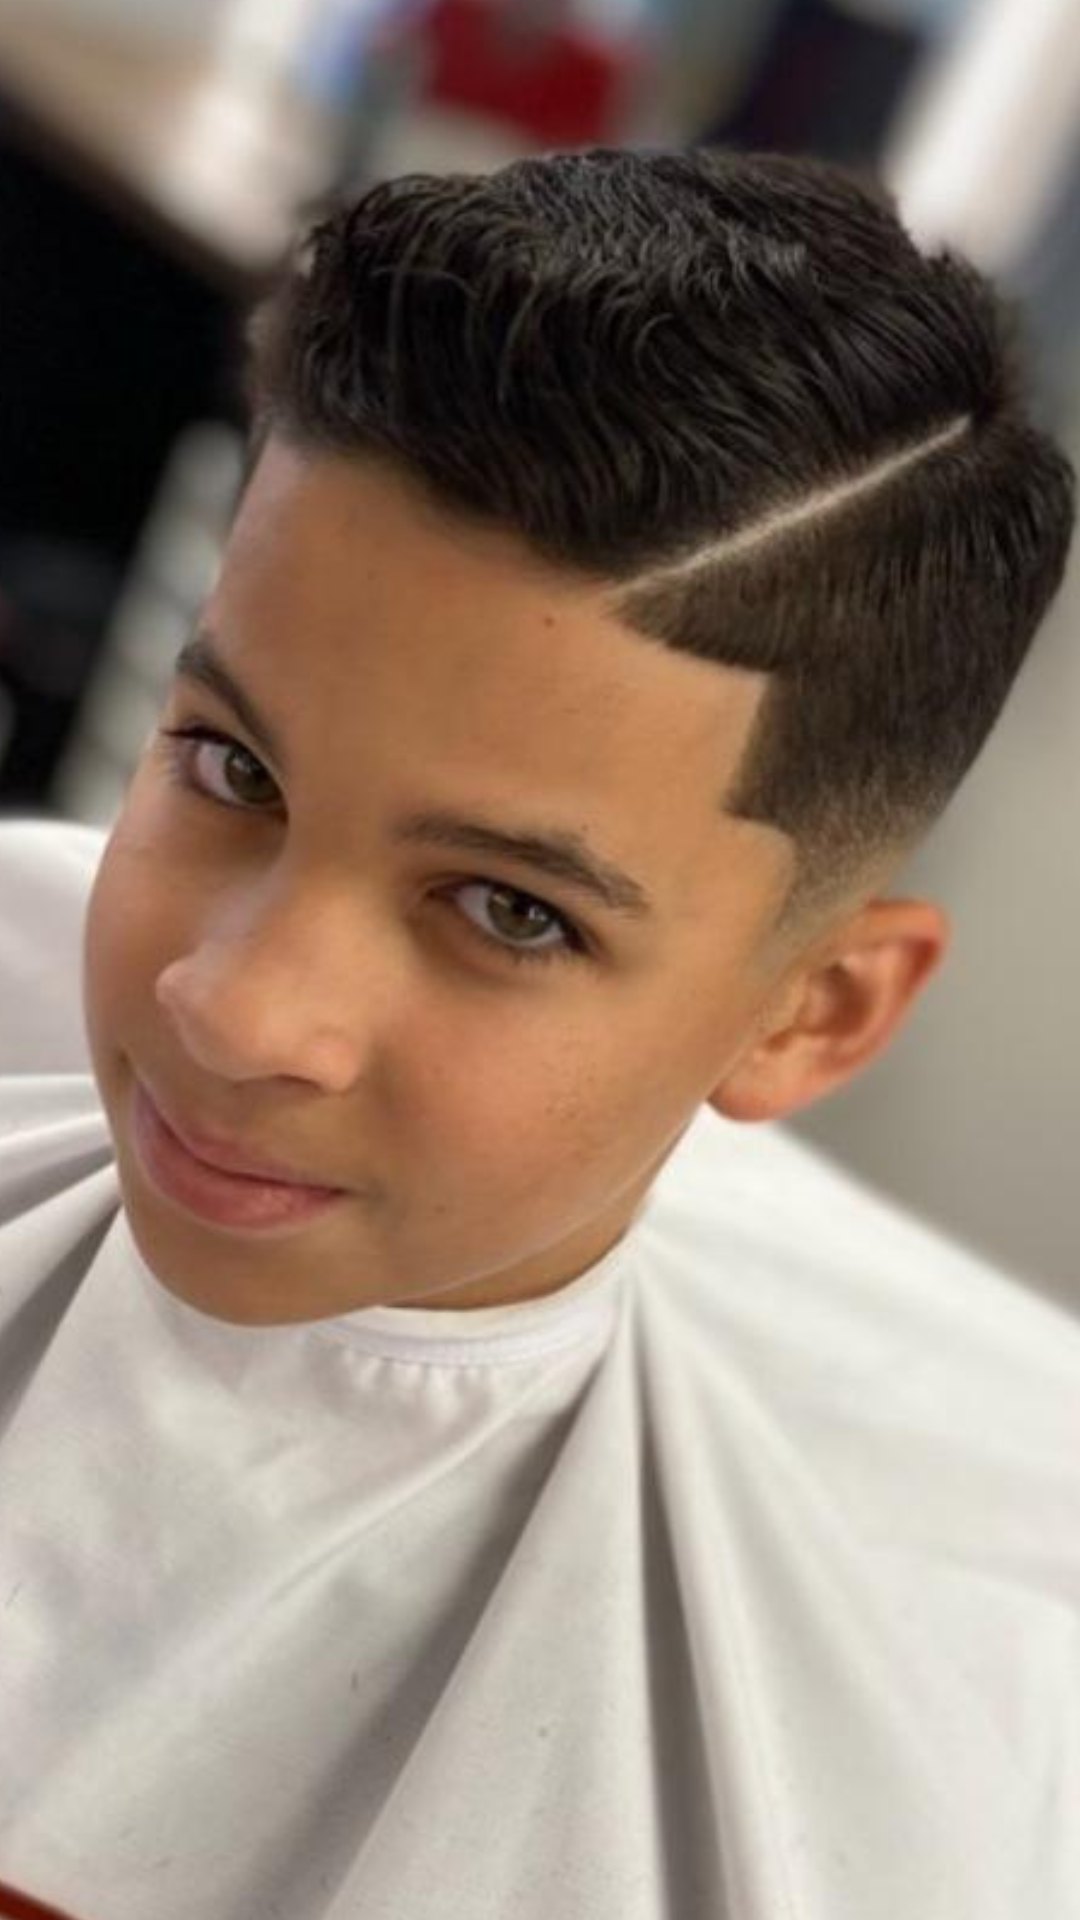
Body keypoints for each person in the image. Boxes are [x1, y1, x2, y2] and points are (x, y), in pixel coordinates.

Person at [1, 146, 1078, 1920]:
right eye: (234, 769)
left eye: (511, 909)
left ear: (815, 1013)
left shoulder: (841, 1834)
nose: (233, 1005)